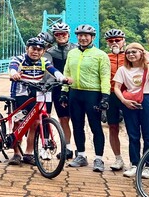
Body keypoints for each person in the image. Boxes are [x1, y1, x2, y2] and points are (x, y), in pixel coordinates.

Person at [6, 37, 69, 165]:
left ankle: (28, 154)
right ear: (27, 49)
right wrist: (14, 73)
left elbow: (53, 70)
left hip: (37, 92)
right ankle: (16, 154)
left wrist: (62, 78)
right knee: (19, 123)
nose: (36, 52)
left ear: (43, 51)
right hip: (20, 93)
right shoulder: (19, 59)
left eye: (40, 49)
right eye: (33, 49)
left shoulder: (44, 61)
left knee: (35, 123)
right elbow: (13, 67)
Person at [65, 24, 111, 171]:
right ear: (77, 37)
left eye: (86, 35)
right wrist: (64, 92)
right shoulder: (72, 53)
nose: (83, 38)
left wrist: (105, 96)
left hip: (93, 94)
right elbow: (67, 72)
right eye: (80, 35)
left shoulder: (100, 55)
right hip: (75, 93)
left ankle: (99, 159)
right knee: (77, 125)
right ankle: (81, 156)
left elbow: (105, 76)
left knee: (95, 126)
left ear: (92, 37)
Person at [112, 42, 149, 179]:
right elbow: (117, 87)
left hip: (148, 99)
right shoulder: (123, 69)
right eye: (128, 52)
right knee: (133, 135)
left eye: (135, 52)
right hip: (130, 101)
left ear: (142, 53)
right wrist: (124, 101)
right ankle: (135, 164)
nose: (131, 55)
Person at [44, 22, 76, 159]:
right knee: (48, 117)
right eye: (57, 34)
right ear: (54, 36)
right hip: (53, 88)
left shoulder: (76, 49)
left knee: (69, 119)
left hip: (70, 87)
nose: (61, 36)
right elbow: (47, 69)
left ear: (68, 35)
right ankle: (49, 146)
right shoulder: (49, 52)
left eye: (63, 34)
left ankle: (70, 148)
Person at [104, 28, 127, 171]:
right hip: (111, 94)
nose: (114, 43)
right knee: (113, 127)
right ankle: (118, 158)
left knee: (133, 129)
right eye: (111, 41)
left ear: (123, 41)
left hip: (128, 94)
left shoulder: (132, 55)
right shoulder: (105, 57)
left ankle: (136, 160)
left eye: (117, 40)